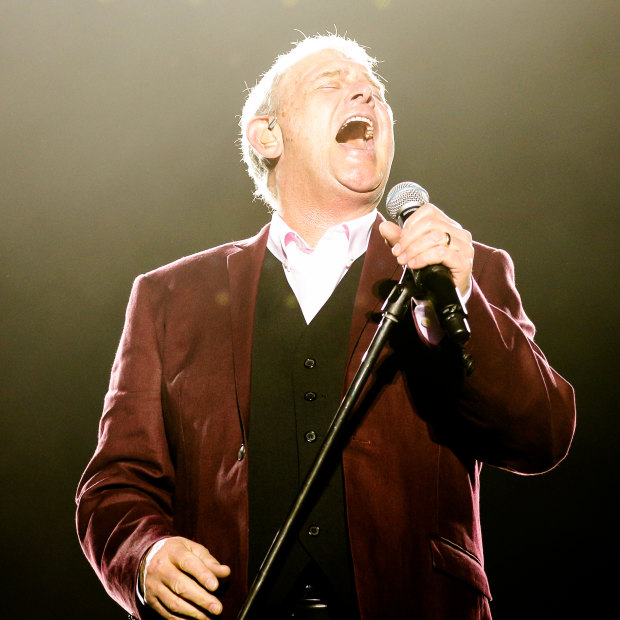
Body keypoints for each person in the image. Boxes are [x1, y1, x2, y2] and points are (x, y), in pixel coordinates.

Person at [76, 34, 576, 620]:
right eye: (331, 83)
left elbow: (541, 435)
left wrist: (461, 297)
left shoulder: (466, 269)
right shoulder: (168, 297)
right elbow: (114, 483)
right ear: (268, 135)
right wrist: (145, 555)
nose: (364, 90)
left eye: (375, 91)